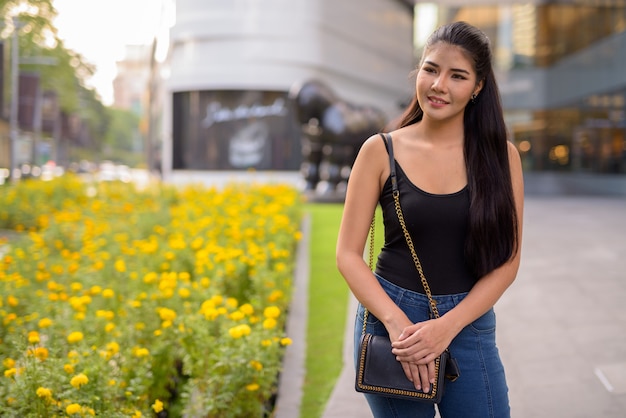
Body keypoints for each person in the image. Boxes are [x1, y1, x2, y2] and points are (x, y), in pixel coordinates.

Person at [336, 21, 524, 418]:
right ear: (418, 70)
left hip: (468, 325)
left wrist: (446, 328)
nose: (439, 85)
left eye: (457, 76)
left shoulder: (502, 157)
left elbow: (507, 262)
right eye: (431, 69)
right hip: (392, 324)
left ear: (478, 87)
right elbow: (348, 255)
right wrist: (399, 325)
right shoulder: (379, 150)